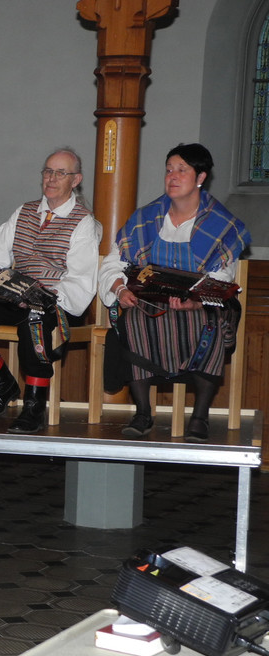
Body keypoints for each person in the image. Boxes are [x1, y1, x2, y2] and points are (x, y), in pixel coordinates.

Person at [98, 143, 251, 443]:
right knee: (134, 318)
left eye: (182, 170)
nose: (173, 176)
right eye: (169, 170)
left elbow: (221, 277)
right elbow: (113, 263)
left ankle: (200, 416)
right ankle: (143, 413)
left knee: (210, 322)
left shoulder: (221, 224)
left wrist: (195, 301)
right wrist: (120, 288)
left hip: (201, 303)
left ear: (200, 177)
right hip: (152, 300)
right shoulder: (145, 218)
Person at [0, 148, 100, 434]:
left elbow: (80, 278)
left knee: (34, 323)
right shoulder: (24, 212)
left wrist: (39, 299)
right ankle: (2, 382)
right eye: (48, 171)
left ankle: (34, 405)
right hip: (14, 297)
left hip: (56, 303)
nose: (51, 178)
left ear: (76, 180)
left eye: (60, 173)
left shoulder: (83, 222)